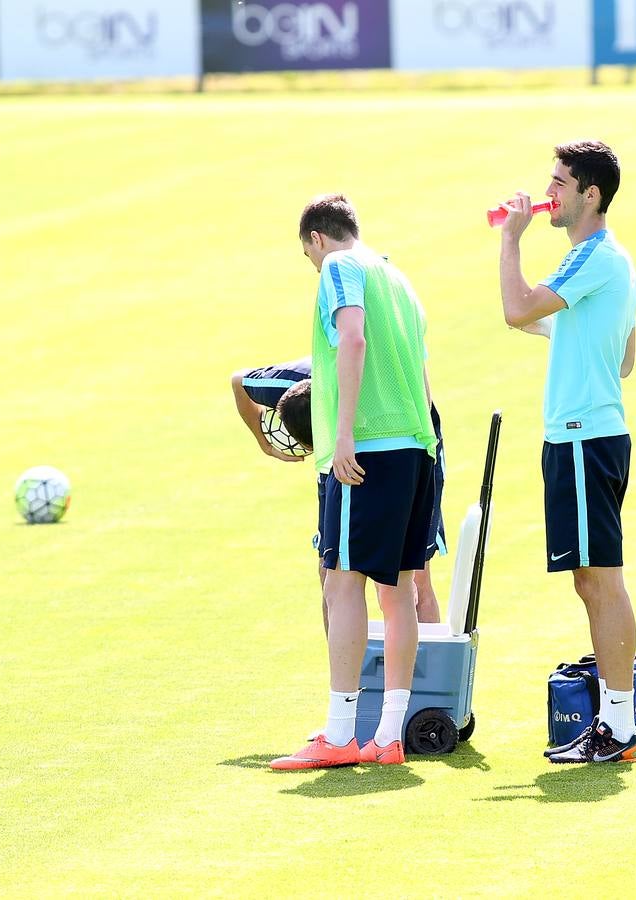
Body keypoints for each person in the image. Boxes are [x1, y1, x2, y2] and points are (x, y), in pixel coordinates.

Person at [272, 194, 438, 771]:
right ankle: (388, 734)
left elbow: (353, 338)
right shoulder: (396, 275)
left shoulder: (341, 268)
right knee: (398, 593)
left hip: (366, 449)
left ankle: (341, 733)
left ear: (318, 239)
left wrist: (342, 436)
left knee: (341, 584)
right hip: (416, 446)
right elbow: (418, 368)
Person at [497, 140, 636, 764]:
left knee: (602, 582)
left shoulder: (593, 256)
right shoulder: (605, 263)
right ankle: (616, 720)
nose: (548, 194)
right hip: (582, 438)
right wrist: (560, 327)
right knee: (590, 581)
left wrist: (510, 241)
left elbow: (515, 309)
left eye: (559, 184)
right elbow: (624, 354)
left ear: (592, 195)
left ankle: (621, 725)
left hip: (585, 438)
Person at [230, 364, 448, 625]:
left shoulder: (380, 391)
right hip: (339, 463)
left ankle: (419, 664)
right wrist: (265, 444)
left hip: (406, 444)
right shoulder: (291, 387)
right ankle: (345, 663)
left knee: (412, 577)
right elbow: (238, 382)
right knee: (331, 572)